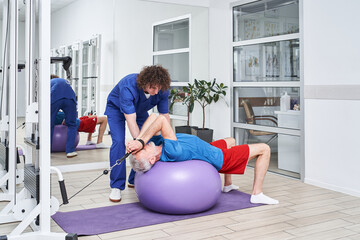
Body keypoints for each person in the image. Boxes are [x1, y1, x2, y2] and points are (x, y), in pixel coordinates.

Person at [126, 114, 279, 205]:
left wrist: (138, 141)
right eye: (143, 149)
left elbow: (152, 117)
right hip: (220, 158)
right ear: (152, 160)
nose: (144, 146)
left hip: (208, 147)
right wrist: (140, 141)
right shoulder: (171, 151)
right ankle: (257, 194)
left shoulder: (157, 143)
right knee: (264, 149)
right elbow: (160, 119)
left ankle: (228, 184)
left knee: (231, 140)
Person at [105, 65, 171, 202]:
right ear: (144, 82)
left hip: (139, 111)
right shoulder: (128, 86)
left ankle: (132, 179)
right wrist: (139, 142)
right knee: (119, 142)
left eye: (159, 88)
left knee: (149, 140)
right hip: (116, 110)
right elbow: (131, 121)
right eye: (153, 87)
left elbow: (164, 117)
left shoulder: (162, 90)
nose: (156, 91)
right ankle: (116, 186)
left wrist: (168, 141)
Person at [51, 76, 78, 158]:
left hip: (54, 98)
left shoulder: (49, 82)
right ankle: (70, 151)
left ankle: (46, 150)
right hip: (70, 98)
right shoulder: (64, 81)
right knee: (72, 124)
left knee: (49, 125)